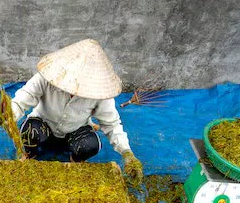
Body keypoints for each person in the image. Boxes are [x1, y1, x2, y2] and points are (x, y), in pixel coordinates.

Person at [8, 39, 143, 184]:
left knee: (90, 145)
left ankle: (74, 162)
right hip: (43, 124)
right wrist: (8, 114)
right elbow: (23, 98)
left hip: (75, 130)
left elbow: (112, 124)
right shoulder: (47, 77)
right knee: (30, 132)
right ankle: (31, 154)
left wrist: (126, 152)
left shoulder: (99, 93)